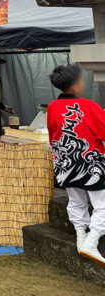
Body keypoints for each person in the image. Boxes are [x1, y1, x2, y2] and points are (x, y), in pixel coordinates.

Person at [46, 63, 105, 263]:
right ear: (76, 85)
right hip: (90, 162)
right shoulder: (88, 106)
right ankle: (92, 241)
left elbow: (53, 136)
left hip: (65, 163)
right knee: (102, 204)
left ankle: (81, 238)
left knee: (76, 201)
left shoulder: (53, 107)